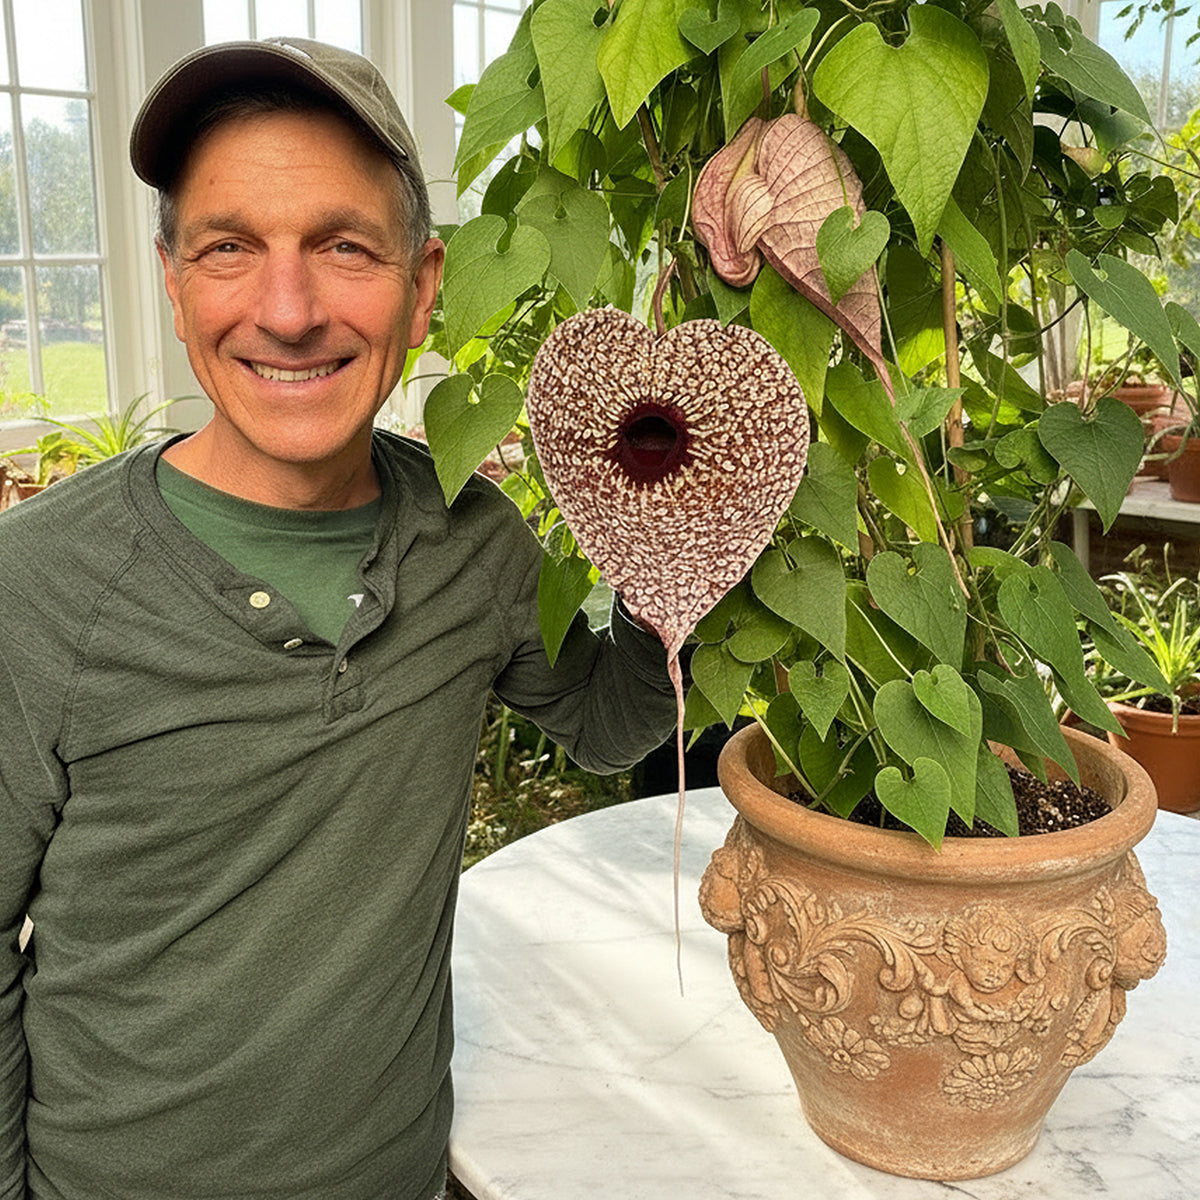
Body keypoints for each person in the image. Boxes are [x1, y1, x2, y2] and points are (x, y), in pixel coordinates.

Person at [0, 38, 677, 1200]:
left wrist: (688, 534)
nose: (289, 310)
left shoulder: (472, 544)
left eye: (344, 247)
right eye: (228, 247)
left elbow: (609, 724)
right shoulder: (40, 583)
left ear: (423, 286)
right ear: (173, 283)